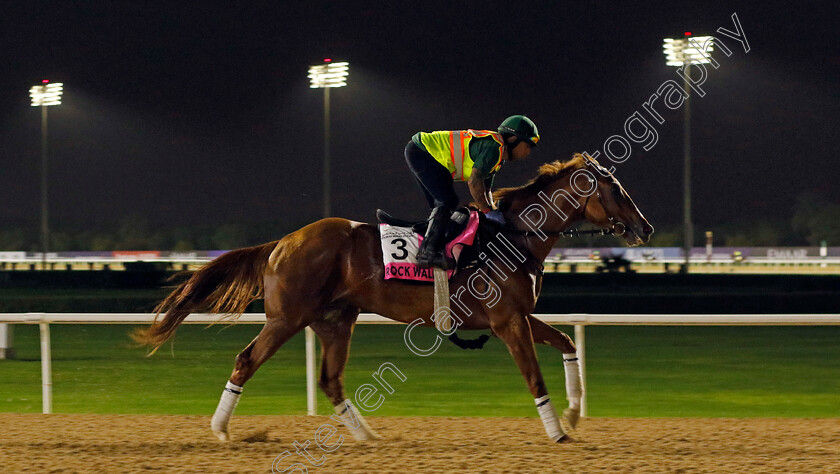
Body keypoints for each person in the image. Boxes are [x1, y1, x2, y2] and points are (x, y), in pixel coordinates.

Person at [404, 115, 539, 268]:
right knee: (447, 202)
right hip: (422, 152)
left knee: (442, 204)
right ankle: (428, 254)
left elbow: (486, 190)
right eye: (527, 145)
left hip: (419, 150)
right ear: (513, 139)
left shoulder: (497, 155)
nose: (528, 152)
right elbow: (474, 182)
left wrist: (492, 210)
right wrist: (488, 211)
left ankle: (430, 242)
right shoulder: (494, 148)